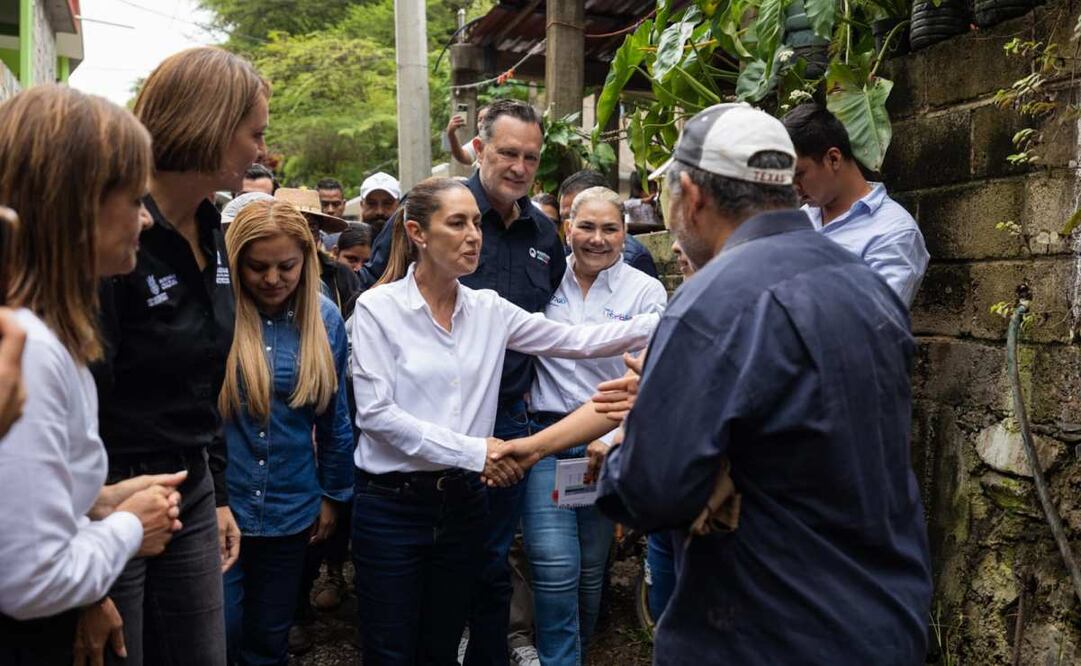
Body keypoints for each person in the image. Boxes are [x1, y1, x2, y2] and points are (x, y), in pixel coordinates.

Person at [591, 103, 933, 663]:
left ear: (692, 196)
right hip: (883, 620)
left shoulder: (713, 303)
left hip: (765, 634)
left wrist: (637, 429)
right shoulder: (864, 284)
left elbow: (650, 492)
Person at [349, 177, 659, 665]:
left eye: (476, 222)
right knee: (388, 648)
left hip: (463, 504)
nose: (474, 234)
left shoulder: (489, 309)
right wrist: (479, 452)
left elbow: (578, 341)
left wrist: (675, 319)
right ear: (417, 232)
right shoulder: (378, 309)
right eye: (457, 223)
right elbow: (377, 416)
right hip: (392, 507)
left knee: (441, 640)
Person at [92, 46, 270, 666]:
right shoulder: (111, 231)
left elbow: (205, 378)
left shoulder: (216, 228)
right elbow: (77, 399)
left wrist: (217, 493)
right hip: (110, 487)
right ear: (210, 127)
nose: (260, 153)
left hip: (189, 485)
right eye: (254, 134)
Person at [0, 85, 187, 665]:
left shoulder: (47, 332)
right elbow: (30, 580)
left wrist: (98, 503)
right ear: (78, 205)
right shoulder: (25, 347)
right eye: (134, 199)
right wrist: (130, 527)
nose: (146, 221)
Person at [523, 186, 667, 665]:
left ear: (626, 234)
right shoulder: (543, 279)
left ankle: (576, 650)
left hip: (606, 446)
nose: (597, 239)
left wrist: (612, 438)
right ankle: (559, 658)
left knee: (589, 568)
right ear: (568, 228)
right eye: (586, 226)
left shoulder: (644, 291)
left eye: (610, 228)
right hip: (545, 438)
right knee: (552, 565)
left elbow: (647, 370)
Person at [219, 199, 353, 665]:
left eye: (286, 266)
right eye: (258, 267)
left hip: (291, 504)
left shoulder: (324, 318)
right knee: (221, 629)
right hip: (224, 505)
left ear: (307, 260)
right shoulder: (220, 314)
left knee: (269, 637)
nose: (273, 279)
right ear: (236, 262)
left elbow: (334, 419)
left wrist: (333, 494)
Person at [782, 103, 929, 306]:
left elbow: (874, 321)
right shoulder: (801, 218)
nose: (793, 187)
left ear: (833, 159)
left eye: (798, 174)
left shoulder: (893, 232)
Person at [557, 171, 659, 279]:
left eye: (609, 229)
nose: (597, 239)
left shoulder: (635, 261)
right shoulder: (559, 260)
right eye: (565, 218)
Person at [360, 171, 401, 238]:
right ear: (362, 205)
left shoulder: (413, 245)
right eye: (372, 204)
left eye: (387, 204)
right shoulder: (347, 244)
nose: (380, 212)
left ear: (399, 206)